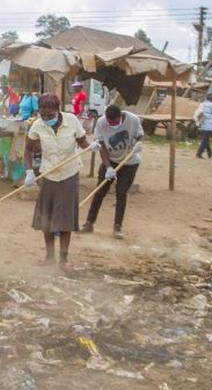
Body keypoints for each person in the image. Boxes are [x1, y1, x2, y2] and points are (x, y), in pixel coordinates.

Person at [24, 94, 99, 272]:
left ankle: (63, 259)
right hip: (48, 175)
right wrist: (29, 171)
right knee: (46, 219)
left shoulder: (72, 120)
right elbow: (28, 150)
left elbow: (82, 142)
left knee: (65, 219)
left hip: (69, 174)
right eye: (43, 114)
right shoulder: (37, 125)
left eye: (50, 115)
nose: (46, 118)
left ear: (57, 111)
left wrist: (91, 146)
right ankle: (50, 257)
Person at [81, 105, 143, 239]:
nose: (112, 125)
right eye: (110, 123)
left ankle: (117, 227)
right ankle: (89, 223)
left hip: (130, 162)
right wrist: (108, 167)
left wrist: (138, 144)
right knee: (99, 192)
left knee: (121, 193)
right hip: (109, 160)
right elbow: (102, 146)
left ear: (120, 116)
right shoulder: (101, 123)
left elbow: (140, 136)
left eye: (115, 123)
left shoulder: (133, 120)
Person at [195, 93, 212, 159]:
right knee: (205, 140)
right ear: (211, 98)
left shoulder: (202, 104)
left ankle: (210, 153)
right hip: (209, 125)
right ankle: (199, 153)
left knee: (206, 139)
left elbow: (198, 113)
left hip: (203, 124)